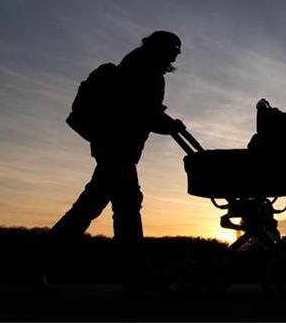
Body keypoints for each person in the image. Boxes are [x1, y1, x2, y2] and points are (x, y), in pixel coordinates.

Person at [23, 30, 185, 295]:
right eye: (175, 48)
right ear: (162, 47)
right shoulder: (145, 69)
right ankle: (137, 280)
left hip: (111, 145)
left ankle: (31, 268)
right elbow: (139, 111)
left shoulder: (135, 64)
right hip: (117, 148)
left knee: (96, 209)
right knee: (124, 209)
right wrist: (169, 125)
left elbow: (139, 110)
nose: (177, 53)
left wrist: (164, 123)